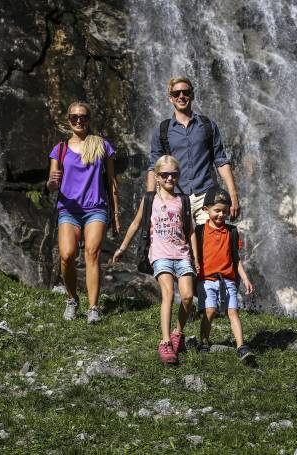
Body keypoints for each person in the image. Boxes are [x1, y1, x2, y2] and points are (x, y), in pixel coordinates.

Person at [112, 155, 198, 364]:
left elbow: (191, 231)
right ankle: (166, 342)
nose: (169, 178)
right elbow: (135, 224)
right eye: (165, 175)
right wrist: (122, 247)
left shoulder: (183, 200)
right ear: (157, 177)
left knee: (187, 297)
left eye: (174, 174)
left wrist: (196, 257)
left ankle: (178, 333)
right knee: (168, 294)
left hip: (182, 253)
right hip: (160, 254)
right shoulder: (150, 199)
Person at [47, 101, 121, 324]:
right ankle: (72, 299)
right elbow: (51, 183)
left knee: (92, 253)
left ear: (90, 119)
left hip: (95, 208)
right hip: (68, 209)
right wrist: (51, 182)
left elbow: (112, 182)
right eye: (74, 117)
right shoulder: (59, 149)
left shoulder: (101, 146)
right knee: (67, 255)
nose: (79, 120)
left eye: (83, 117)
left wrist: (116, 215)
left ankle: (93, 307)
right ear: (68, 120)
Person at [147, 76, 240, 225]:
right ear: (171, 98)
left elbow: (221, 160)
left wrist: (233, 194)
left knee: (208, 244)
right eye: (176, 94)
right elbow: (154, 167)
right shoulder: (162, 130)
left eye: (185, 92)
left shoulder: (207, 125)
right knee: (179, 246)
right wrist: (150, 199)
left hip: (206, 194)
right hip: (174, 196)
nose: (181, 96)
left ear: (192, 95)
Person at [195, 187, 255, 364]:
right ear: (206, 209)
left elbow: (236, 259)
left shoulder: (231, 232)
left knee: (233, 312)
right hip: (206, 280)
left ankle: (241, 346)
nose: (221, 215)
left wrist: (244, 278)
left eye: (225, 211)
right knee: (210, 311)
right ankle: (204, 342)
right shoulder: (199, 232)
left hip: (227, 279)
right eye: (217, 211)